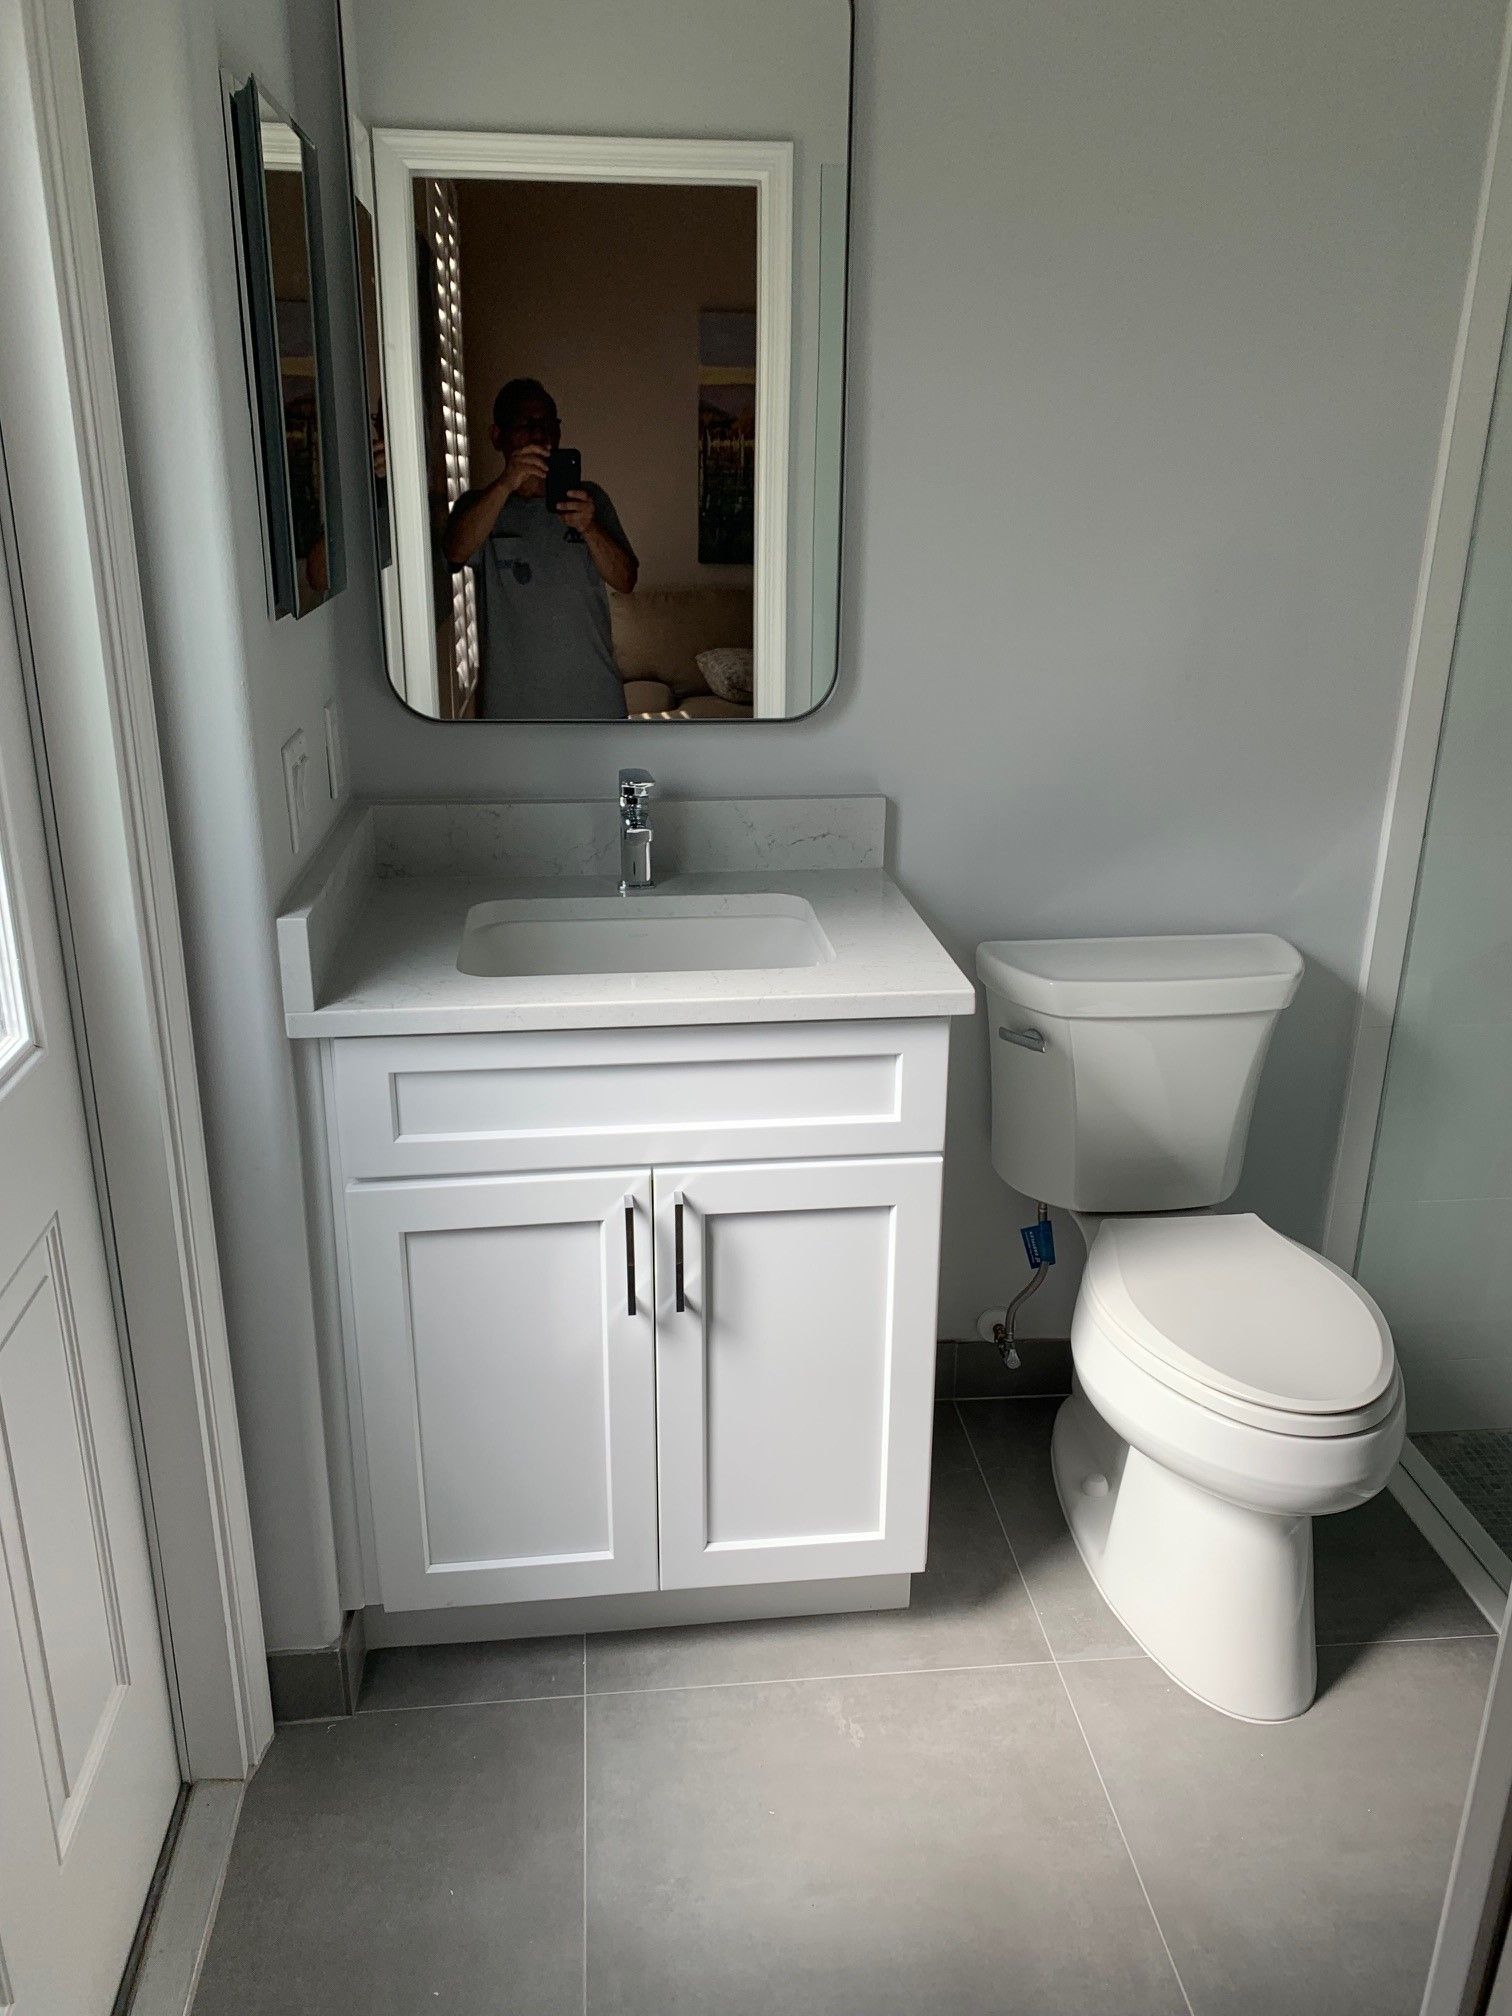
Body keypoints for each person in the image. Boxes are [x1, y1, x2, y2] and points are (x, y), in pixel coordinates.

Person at [442, 378, 638, 720]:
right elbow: (455, 552)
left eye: (548, 424)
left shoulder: (589, 499)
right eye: (526, 424)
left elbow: (626, 580)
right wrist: (507, 483)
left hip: (595, 702)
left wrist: (590, 527)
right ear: (498, 437)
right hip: (511, 710)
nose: (540, 434)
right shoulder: (478, 507)